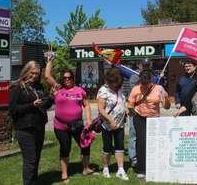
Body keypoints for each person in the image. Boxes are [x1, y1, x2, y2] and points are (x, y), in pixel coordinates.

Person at [44, 55, 95, 183]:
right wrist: (50, 61)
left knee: (85, 145)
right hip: (61, 126)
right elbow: (47, 76)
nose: (67, 80)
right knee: (65, 147)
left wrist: (89, 120)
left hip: (77, 125)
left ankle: (85, 168)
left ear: (73, 78)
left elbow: (86, 104)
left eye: (69, 78)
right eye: (65, 78)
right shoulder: (58, 88)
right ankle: (64, 174)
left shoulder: (79, 91)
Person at [9, 61, 54, 185]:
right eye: (32, 73)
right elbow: (13, 109)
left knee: (36, 158)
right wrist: (31, 105)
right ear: (26, 71)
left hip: (39, 126)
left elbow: (44, 105)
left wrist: (51, 97)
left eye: (37, 74)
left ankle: (33, 181)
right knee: (30, 159)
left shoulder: (38, 86)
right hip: (24, 128)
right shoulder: (17, 87)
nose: (34, 76)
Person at [127, 69, 171, 179]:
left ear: (151, 80)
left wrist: (165, 98)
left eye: (147, 83)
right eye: (143, 83)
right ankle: (141, 169)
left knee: (154, 141)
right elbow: (130, 105)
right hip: (139, 117)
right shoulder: (136, 89)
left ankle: (155, 165)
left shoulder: (159, 89)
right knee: (141, 141)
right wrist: (135, 114)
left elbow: (167, 107)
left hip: (154, 118)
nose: (145, 86)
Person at [97, 68, 129, 180]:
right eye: (114, 83)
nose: (115, 85)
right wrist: (111, 120)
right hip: (107, 125)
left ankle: (121, 169)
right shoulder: (103, 90)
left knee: (120, 146)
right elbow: (101, 109)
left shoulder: (119, 89)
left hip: (119, 124)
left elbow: (122, 102)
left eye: (117, 83)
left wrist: (126, 110)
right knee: (108, 147)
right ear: (109, 80)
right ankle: (105, 168)